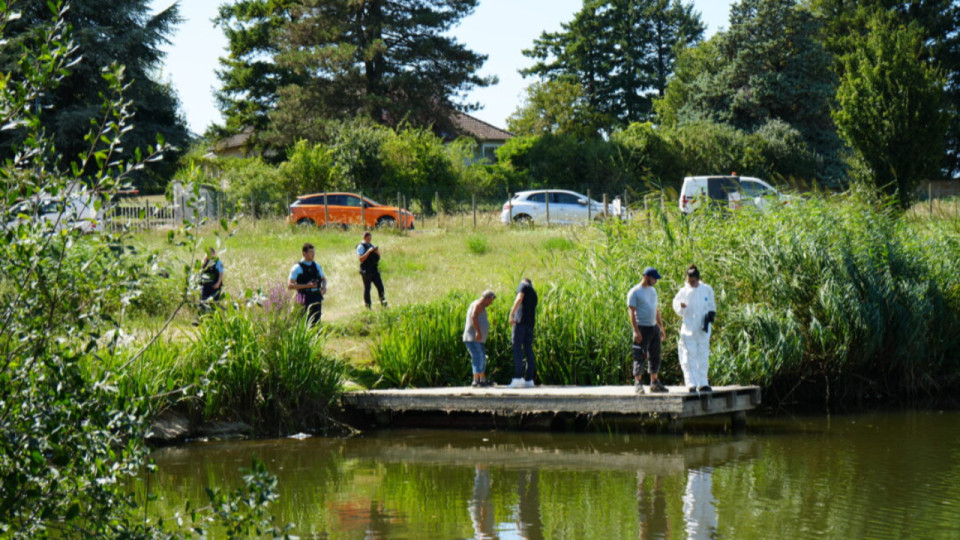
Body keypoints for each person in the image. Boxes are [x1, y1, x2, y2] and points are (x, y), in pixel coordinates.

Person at [672, 264, 717, 393]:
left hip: (703, 328)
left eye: (693, 281)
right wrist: (680, 306)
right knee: (688, 355)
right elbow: (675, 305)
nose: (690, 283)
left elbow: (712, 306)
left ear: (698, 279)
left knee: (703, 354)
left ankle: (703, 383)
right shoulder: (684, 291)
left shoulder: (707, 289)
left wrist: (710, 316)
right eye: (688, 281)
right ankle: (691, 383)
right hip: (688, 328)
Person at [627, 267, 668, 394]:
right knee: (639, 356)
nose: (655, 280)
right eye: (654, 278)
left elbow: (656, 310)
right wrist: (635, 330)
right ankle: (638, 383)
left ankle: (654, 382)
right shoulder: (635, 292)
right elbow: (631, 312)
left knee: (655, 355)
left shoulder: (653, 291)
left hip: (653, 327)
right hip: (641, 327)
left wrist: (661, 328)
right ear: (646, 277)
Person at [508, 278, 538, 388]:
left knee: (517, 348)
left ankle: (518, 377)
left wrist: (511, 314)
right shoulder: (534, 293)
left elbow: (519, 298)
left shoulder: (523, 286)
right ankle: (529, 379)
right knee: (528, 349)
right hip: (530, 324)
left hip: (520, 322)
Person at [463, 289, 496, 388]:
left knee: (479, 357)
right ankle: (479, 380)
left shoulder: (479, 305)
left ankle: (479, 380)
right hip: (473, 338)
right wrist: (477, 331)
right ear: (487, 298)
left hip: (477, 339)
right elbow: (473, 317)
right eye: (490, 301)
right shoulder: (478, 305)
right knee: (479, 357)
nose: (490, 303)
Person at [288, 243, 327, 325]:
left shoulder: (316, 266)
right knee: (303, 321)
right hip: (303, 297)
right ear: (304, 253)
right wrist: (307, 286)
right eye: (310, 252)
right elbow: (290, 285)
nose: (313, 254)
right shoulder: (297, 267)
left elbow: (323, 279)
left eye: (313, 252)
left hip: (316, 296)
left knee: (316, 321)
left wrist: (324, 287)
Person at [357, 231, 387, 309]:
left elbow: (379, 257)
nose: (369, 240)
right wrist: (368, 252)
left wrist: (377, 252)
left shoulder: (372, 245)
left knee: (380, 287)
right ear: (364, 238)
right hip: (366, 270)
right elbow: (361, 259)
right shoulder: (361, 246)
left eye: (370, 238)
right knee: (367, 288)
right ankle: (368, 306)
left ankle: (384, 304)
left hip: (374, 269)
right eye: (368, 238)